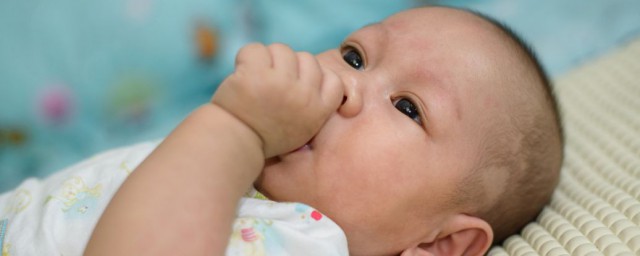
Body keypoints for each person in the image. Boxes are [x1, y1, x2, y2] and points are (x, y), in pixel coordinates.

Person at [0, 6, 563, 256]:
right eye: (355, 55)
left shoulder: (307, 242)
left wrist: (236, 129)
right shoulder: (242, 180)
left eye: (409, 108)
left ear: (439, 245)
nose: (345, 85)